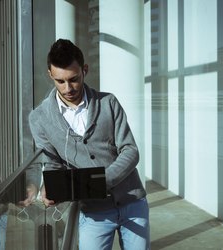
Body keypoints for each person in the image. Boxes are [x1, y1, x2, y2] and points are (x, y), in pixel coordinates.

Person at [26, 39, 150, 250]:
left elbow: (131, 150)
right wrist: (50, 187)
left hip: (132, 203)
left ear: (85, 70)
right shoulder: (39, 118)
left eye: (73, 79)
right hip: (93, 212)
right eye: (60, 81)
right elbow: (53, 163)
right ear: (50, 75)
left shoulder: (108, 102)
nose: (67, 88)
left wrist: (101, 181)